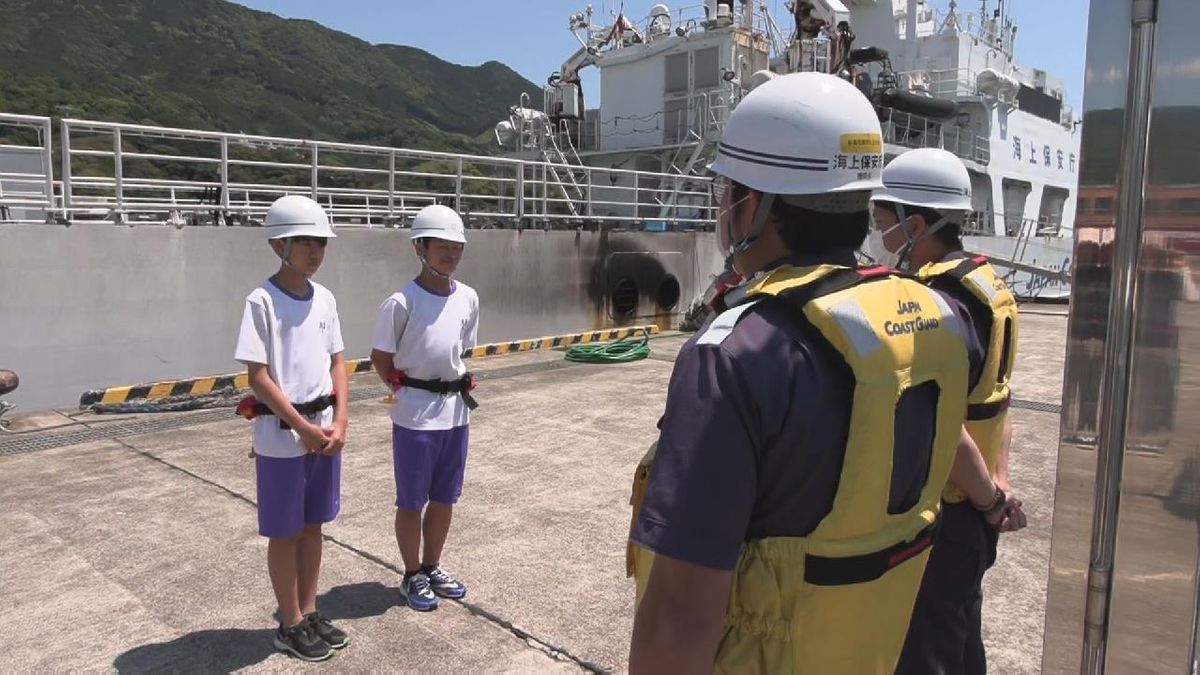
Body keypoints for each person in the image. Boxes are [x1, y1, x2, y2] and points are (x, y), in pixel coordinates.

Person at [626, 72, 1016, 674]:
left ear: (752, 206)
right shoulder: (934, 319)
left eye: (729, 191)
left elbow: (680, 608)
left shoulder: (736, 354)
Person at [869, 148, 1028, 675]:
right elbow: (996, 399)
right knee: (960, 644)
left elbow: (941, 425)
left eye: (882, 221)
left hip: (948, 511)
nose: (876, 233)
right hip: (977, 504)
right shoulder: (988, 286)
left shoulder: (936, 305)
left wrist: (985, 500)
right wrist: (999, 487)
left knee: (925, 654)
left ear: (914, 225)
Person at [234, 194, 349, 662]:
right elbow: (257, 376)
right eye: (305, 242)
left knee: (314, 525)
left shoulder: (325, 298)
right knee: (285, 532)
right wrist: (300, 425)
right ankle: (289, 621)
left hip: (322, 430)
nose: (316, 251)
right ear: (278, 244)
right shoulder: (262, 300)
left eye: (320, 242)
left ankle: (309, 609)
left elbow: (338, 361)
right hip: (285, 436)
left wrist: (340, 418)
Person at [370, 204, 480, 612]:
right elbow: (382, 358)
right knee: (411, 500)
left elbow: (462, 348)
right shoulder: (401, 302)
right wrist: (407, 389)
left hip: (455, 413)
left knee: (445, 497)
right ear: (420, 247)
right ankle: (411, 572)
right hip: (414, 415)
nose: (450, 254)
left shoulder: (468, 297)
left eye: (457, 246)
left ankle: (433, 565)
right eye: (442, 246)